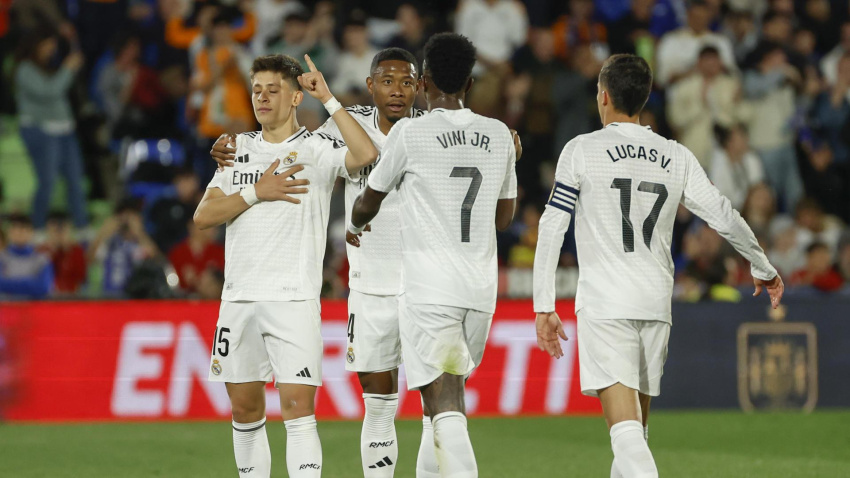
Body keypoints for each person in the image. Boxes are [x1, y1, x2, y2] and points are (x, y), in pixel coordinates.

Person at [532, 54, 784, 478]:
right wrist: (761, 264)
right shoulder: (674, 155)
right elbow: (722, 213)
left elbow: (552, 225)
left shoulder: (581, 150)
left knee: (626, 435)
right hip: (654, 303)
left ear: (603, 96)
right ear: (644, 99)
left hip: (606, 303)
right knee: (636, 435)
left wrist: (544, 303)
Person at [193, 53, 378, 478]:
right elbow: (203, 216)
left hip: (293, 299)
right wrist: (256, 193)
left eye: (273, 90)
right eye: (256, 89)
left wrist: (328, 98)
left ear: (295, 97)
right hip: (238, 298)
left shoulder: (316, 149)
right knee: (244, 409)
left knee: (297, 408)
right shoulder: (237, 148)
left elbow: (366, 153)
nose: (262, 98)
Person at [349, 33, 518, 478]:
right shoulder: (499, 134)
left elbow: (367, 203)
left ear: (423, 82)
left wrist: (353, 225)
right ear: (470, 82)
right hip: (480, 293)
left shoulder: (411, 132)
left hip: (430, 293)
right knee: (438, 405)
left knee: (444, 405)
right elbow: (504, 219)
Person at [14, 29, 88, 231]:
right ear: (36, 44)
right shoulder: (25, 69)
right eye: (48, 44)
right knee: (47, 182)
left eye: (53, 45)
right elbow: (50, 91)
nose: (51, 49)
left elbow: (61, 90)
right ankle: (37, 227)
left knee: (76, 180)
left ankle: (81, 226)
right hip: (41, 131)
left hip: (65, 132)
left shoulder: (51, 67)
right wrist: (67, 69)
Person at [0, 214, 53, 299]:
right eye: (15, 228)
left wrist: (9, 283)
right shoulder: (1, 258)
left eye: (23, 229)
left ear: (31, 232)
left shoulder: (42, 260)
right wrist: (31, 282)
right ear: (9, 232)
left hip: (34, 306)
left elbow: (44, 287)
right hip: (6, 306)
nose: (19, 232)